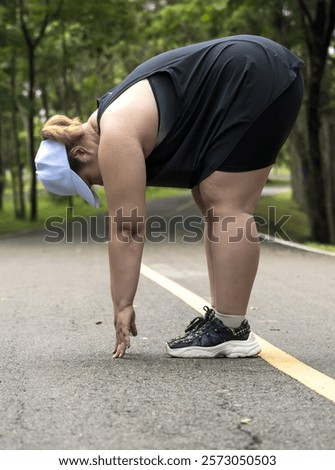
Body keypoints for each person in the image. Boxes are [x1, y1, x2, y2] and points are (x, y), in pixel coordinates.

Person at [35, 35, 304, 359]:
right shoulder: (114, 116)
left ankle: (231, 329)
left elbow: (128, 228)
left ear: (80, 152)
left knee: (226, 203)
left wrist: (122, 305)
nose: (100, 185)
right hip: (255, 74)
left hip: (254, 76)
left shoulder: (115, 131)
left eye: (90, 180)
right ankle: (224, 320)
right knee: (209, 198)